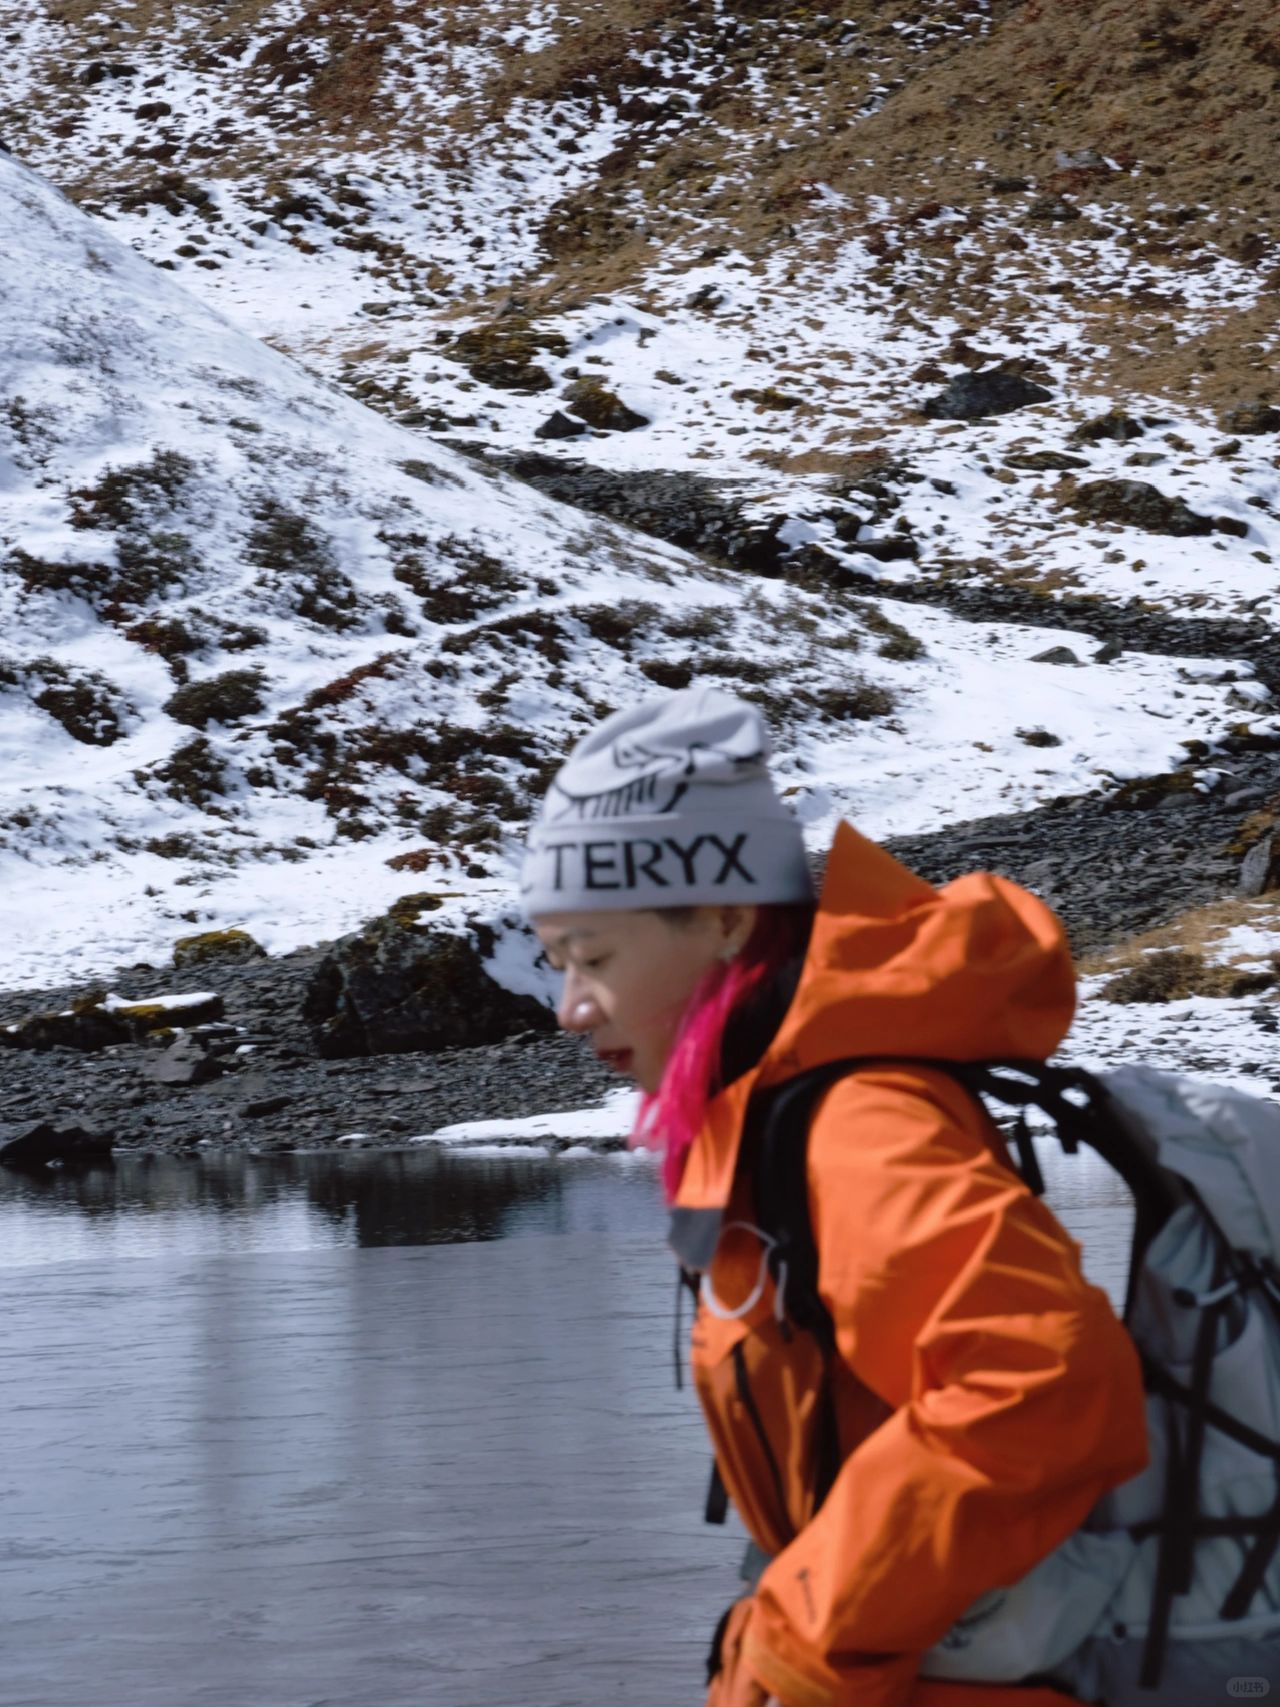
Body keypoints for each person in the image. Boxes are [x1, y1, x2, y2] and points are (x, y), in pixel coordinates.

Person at [521, 685, 1148, 1707]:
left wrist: (809, 1631)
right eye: (557, 964)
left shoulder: (855, 1122)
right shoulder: (772, 1115)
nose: (567, 1007)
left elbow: (1038, 1384)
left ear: (725, 919)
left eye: (593, 957)